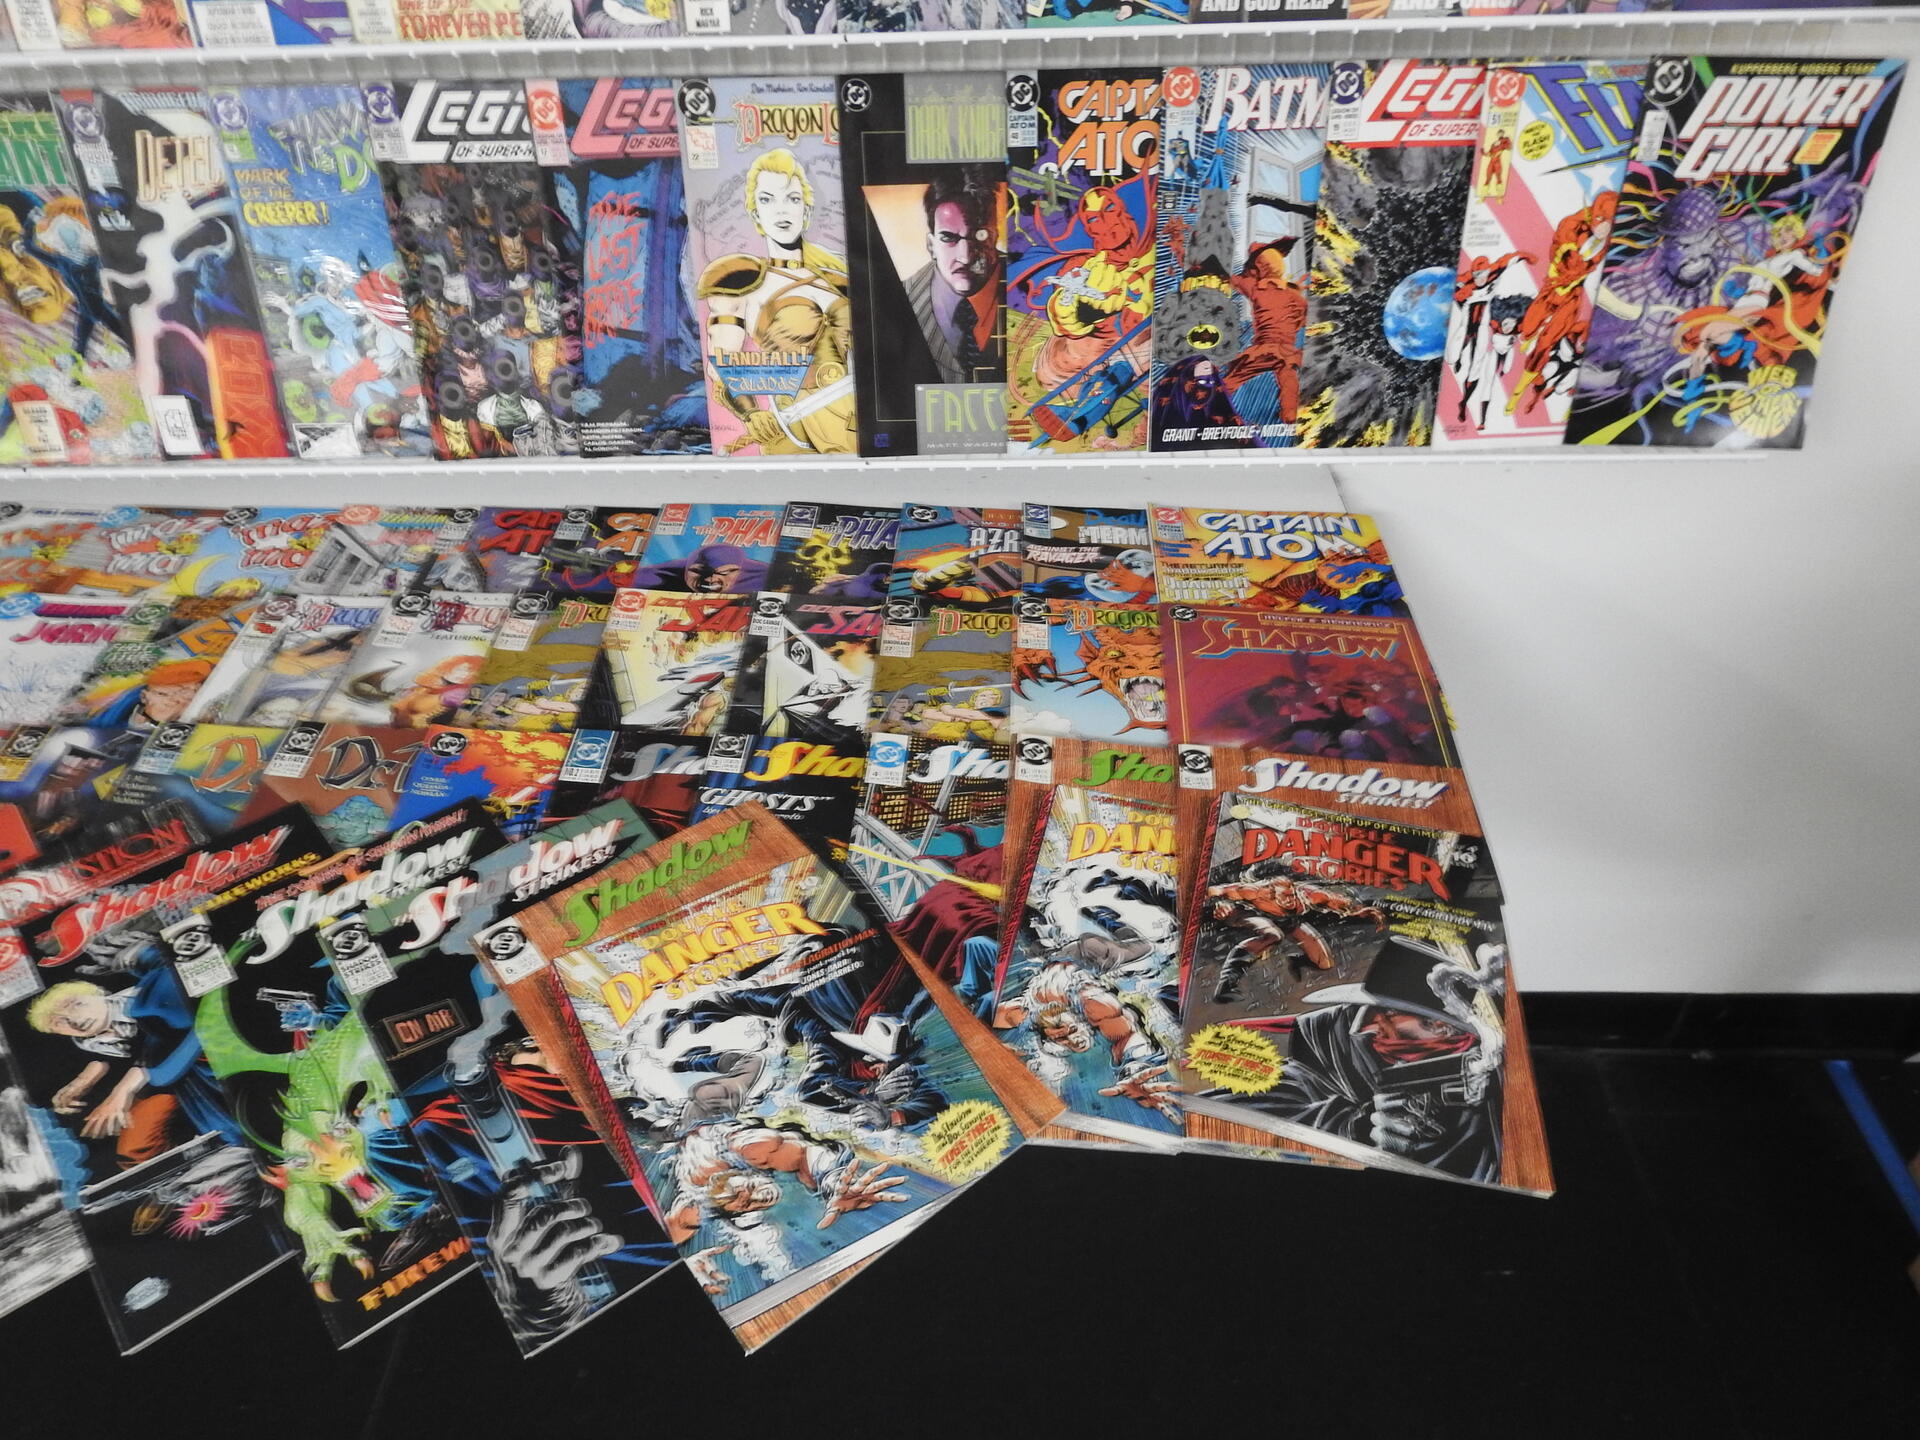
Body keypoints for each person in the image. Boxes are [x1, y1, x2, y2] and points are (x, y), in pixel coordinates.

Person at [1266, 944, 1504, 1182]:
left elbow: (1487, 1162)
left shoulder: (1481, 1066)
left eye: (1446, 1027)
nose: (1373, 1025)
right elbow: (1263, 1099)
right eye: (1382, 1013)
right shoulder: (1331, 1040)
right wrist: (1355, 1128)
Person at [906, 169, 1003, 385]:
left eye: (980, 235)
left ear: (995, 237)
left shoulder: (1029, 285)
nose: (965, 257)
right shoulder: (900, 296)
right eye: (949, 238)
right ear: (931, 245)